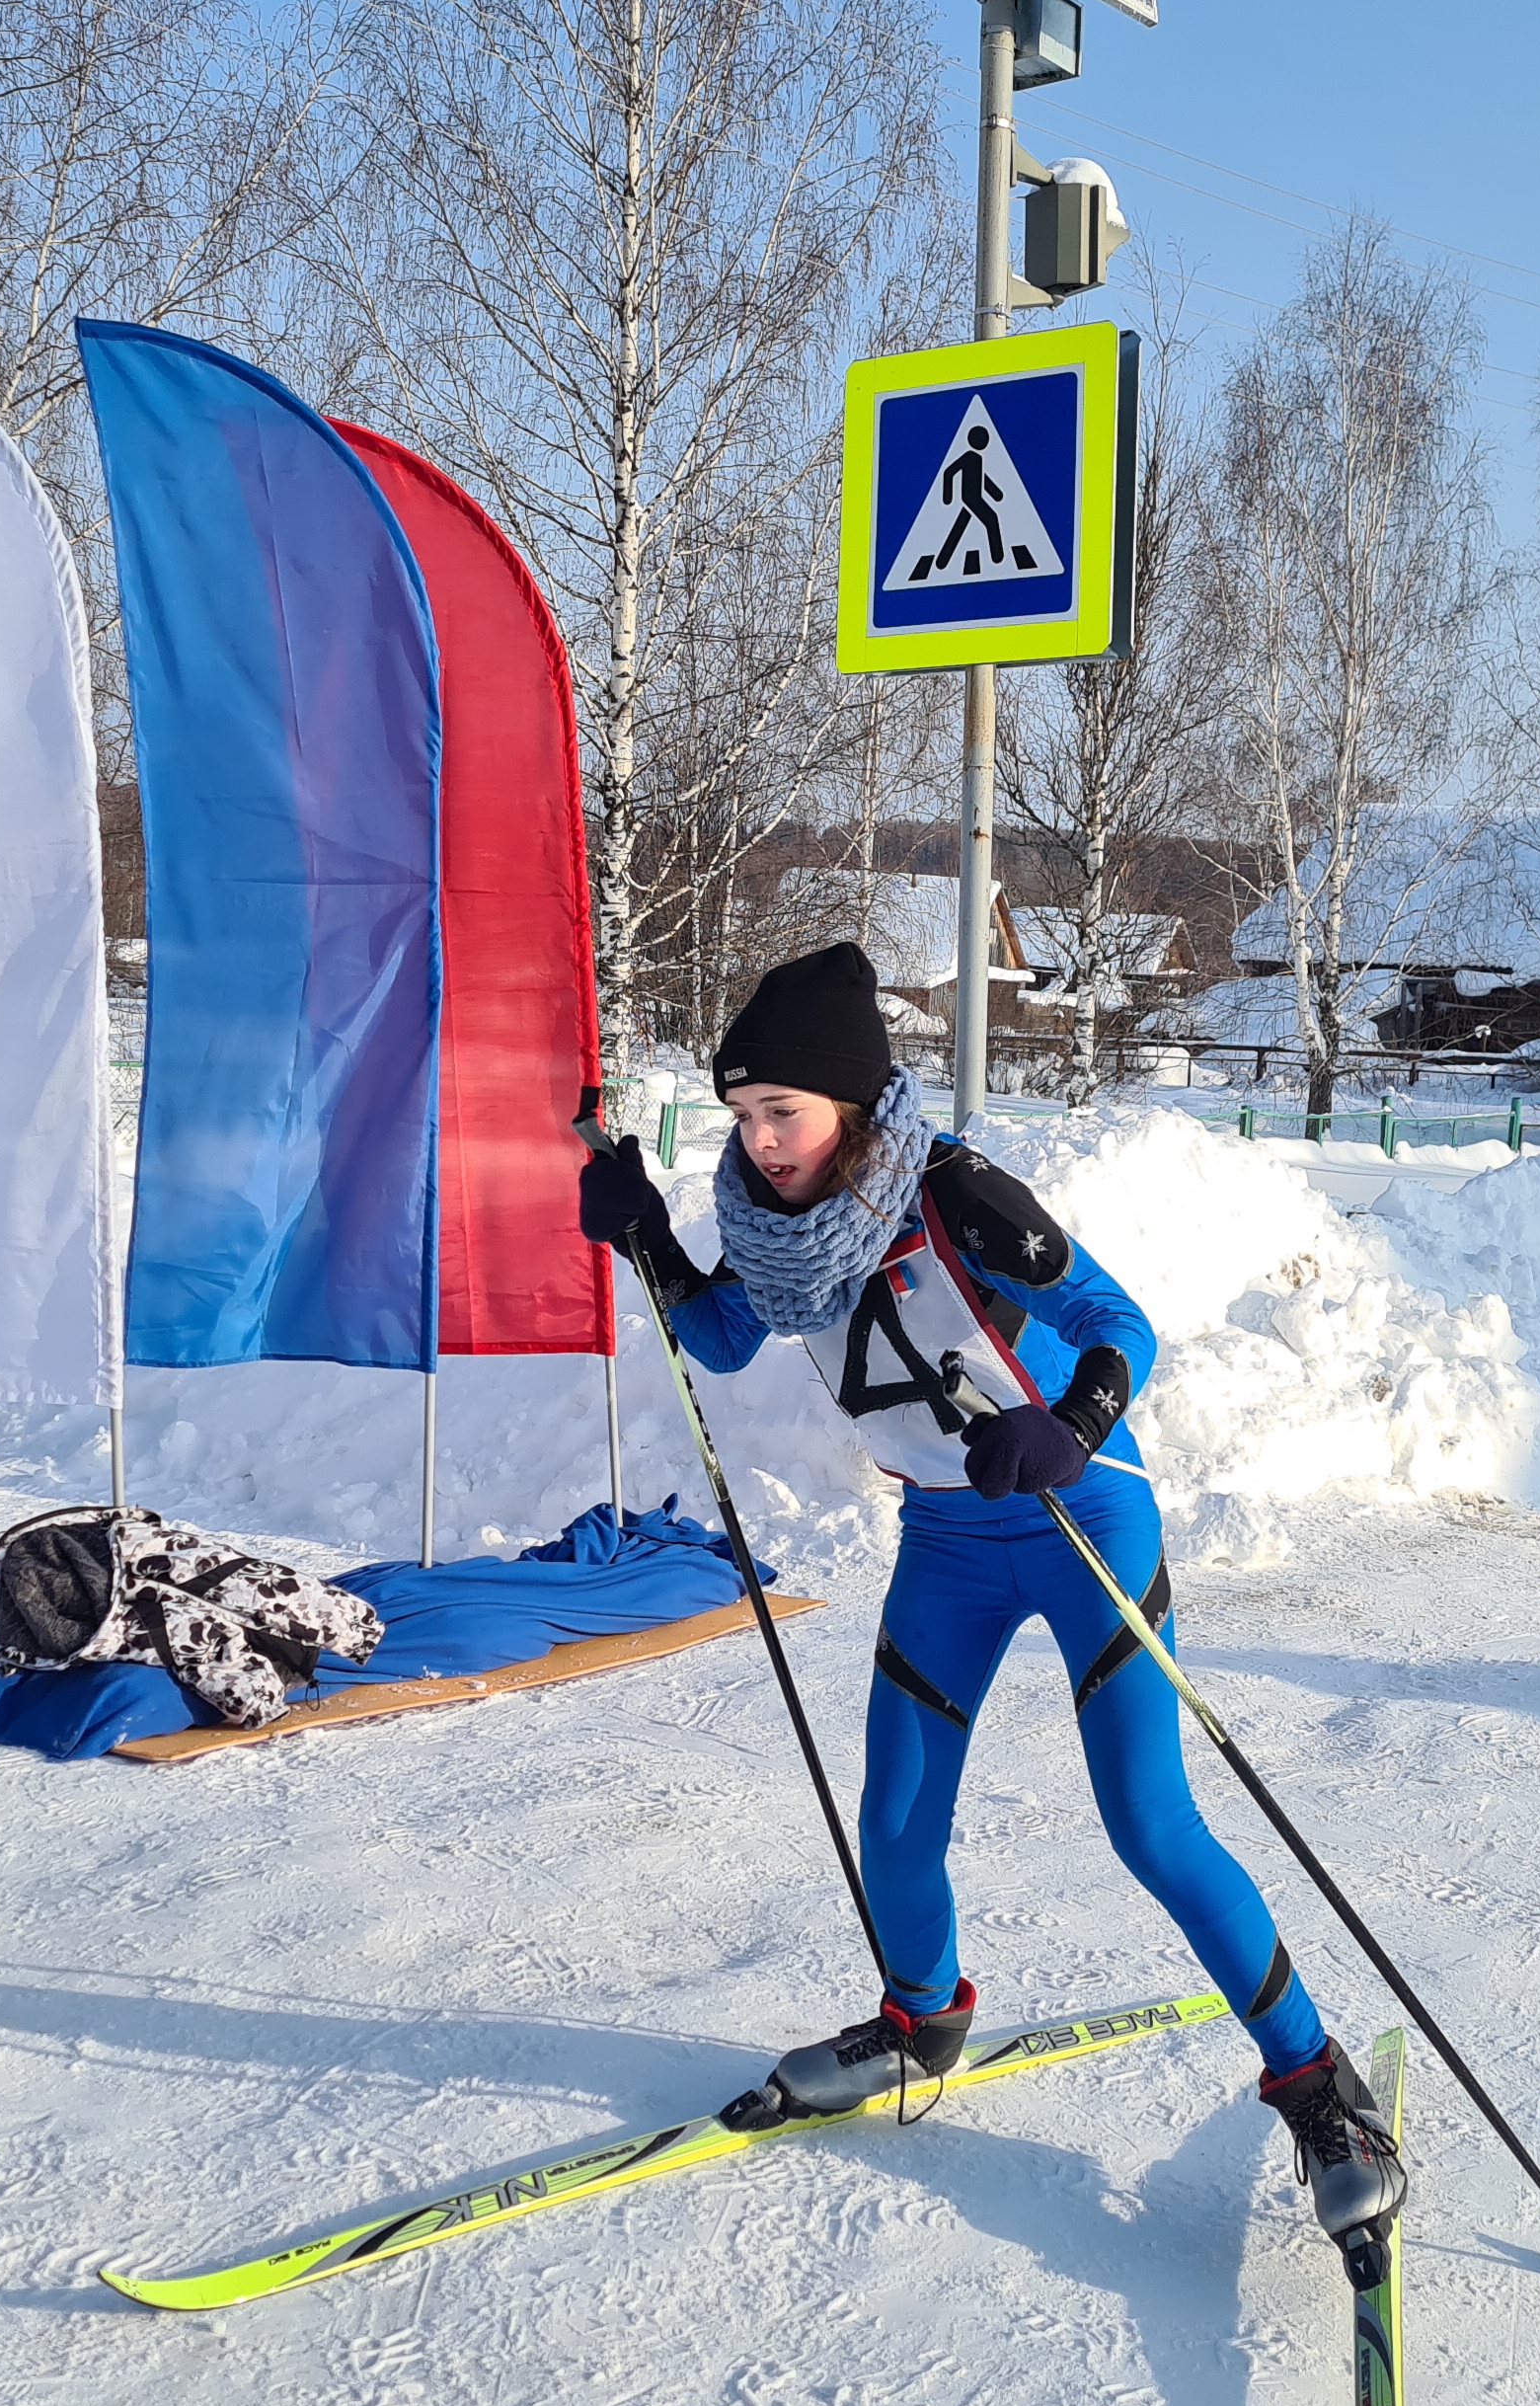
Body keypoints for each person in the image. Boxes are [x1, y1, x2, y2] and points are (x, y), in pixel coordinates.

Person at [575, 941, 1406, 2260]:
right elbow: (732, 1334)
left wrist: (1073, 1421)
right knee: (896, 1822)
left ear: (850, 1106)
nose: (764, 1141)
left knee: (1151, 1824)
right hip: (949, 1542)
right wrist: (650, 1244)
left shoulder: (956, 1197)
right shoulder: (779, 1230)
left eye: (783, 1112)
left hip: (1082, 1517)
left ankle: (1322, 2091)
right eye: (743, 1116)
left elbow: (1122, 1318)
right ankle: (921, 2020)